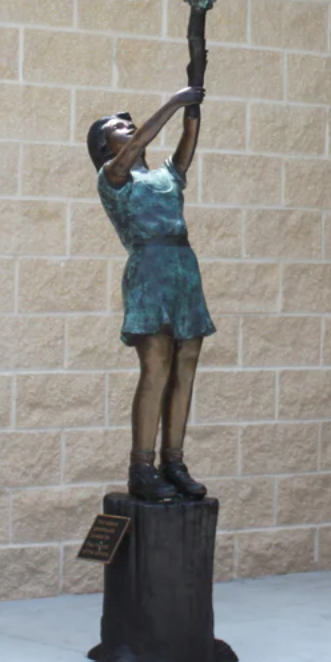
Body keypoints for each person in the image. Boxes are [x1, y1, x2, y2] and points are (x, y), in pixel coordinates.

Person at [86, 86, 215, 504]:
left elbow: (185, 150)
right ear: (106, 148)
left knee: (187, 365)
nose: (128, 128)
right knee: (156, 366)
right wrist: (176, 101)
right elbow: (144, 138)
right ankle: (141, 467)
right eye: (118, 128)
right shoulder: (112, 177)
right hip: (149, 270)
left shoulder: (162, 177)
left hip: (183, 267)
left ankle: (173, 462)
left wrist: (191, 113)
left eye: (128, 123)